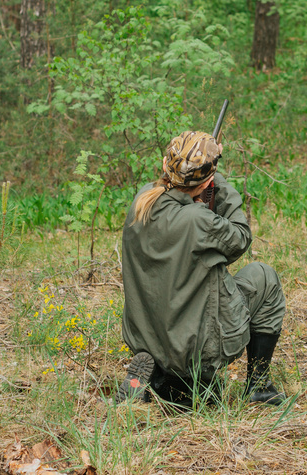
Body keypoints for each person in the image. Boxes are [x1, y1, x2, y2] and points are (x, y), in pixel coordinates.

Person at [115, 130, 287, 406]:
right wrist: (217, 180)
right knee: (264, 277)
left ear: (165, 166)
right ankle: (259, 386)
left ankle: (157, 371)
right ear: (205, 180)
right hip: (194, 346)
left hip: (147, 336)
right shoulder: (198, 220)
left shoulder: (142, 200)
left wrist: (202, 175)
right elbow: (240, 238)